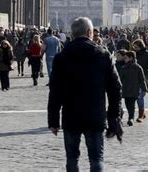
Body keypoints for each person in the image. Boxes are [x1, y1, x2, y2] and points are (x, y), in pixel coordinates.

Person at [48, 17, 122, 172]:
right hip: (95, 115)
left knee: (72, 159)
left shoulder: (62, 57)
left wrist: (53, 120)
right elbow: (115, 88)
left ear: (73, 34)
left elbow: (55, 91)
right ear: (90, 32)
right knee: (96, 159)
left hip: (71, 115)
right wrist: (114, 116)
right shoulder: (103, 55)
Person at [119, 51, 147, 126]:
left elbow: (142, 79)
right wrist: (144, 89)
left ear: (131, 58)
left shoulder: (126, 67)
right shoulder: (137, 67)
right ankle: (131, 117)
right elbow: (142, 80)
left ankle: (131, 118)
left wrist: (144, 89)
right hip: (133, 90)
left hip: (128, 90)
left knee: (130, 104)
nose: (124, 59)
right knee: (130, 104)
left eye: (126, 58)